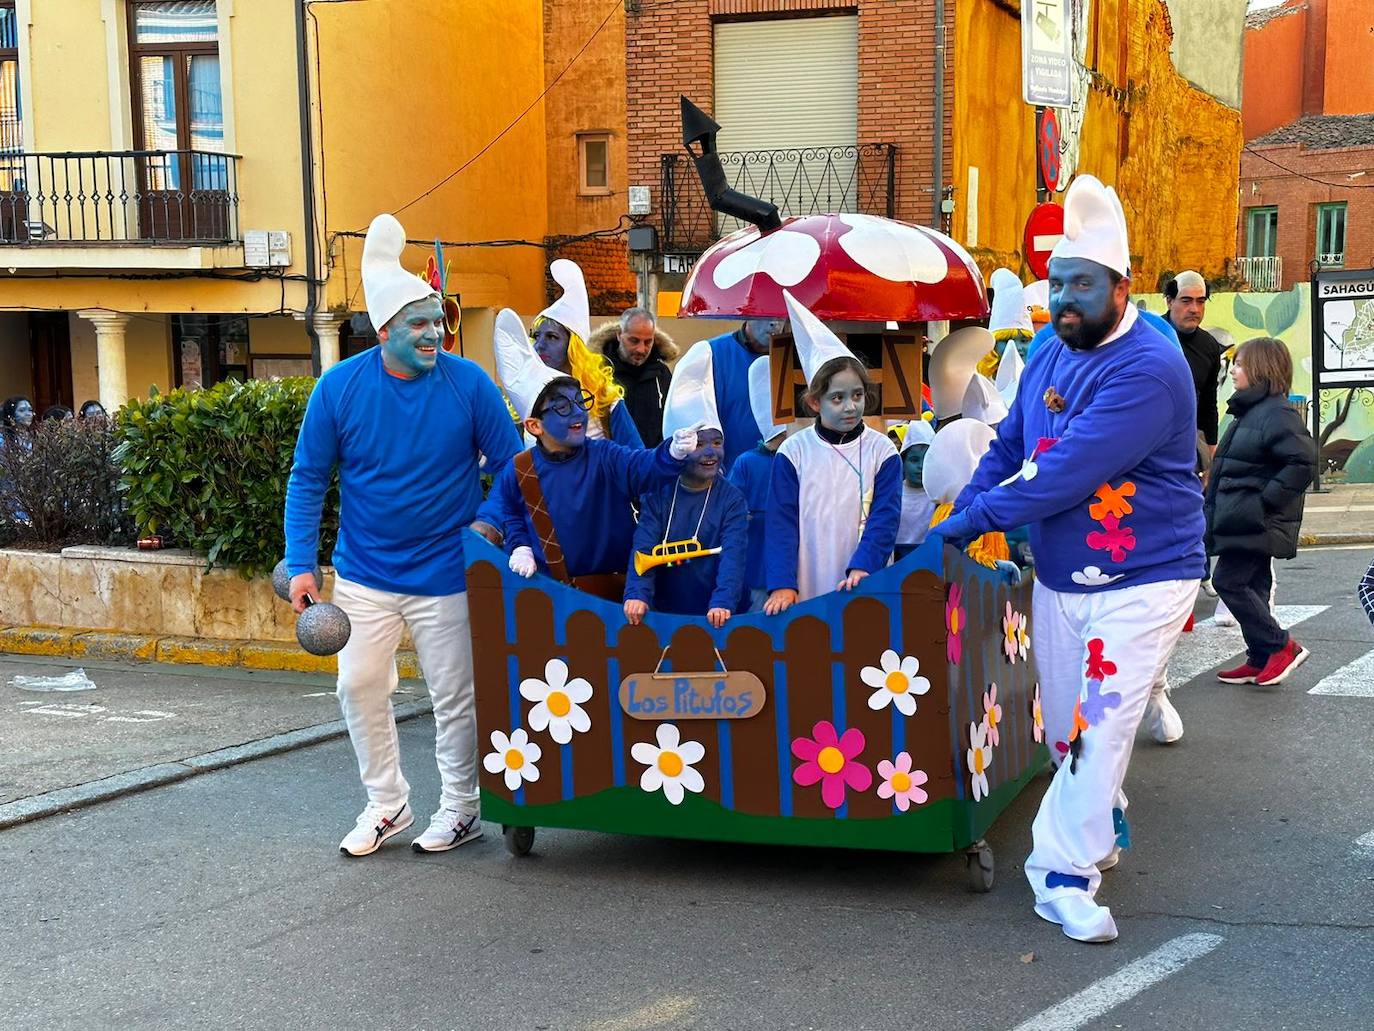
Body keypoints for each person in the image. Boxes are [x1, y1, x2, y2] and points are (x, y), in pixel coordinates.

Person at [935, 175, 1205, 943]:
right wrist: (965, 511)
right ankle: (1101, 814)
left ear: (1121, 287)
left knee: (1098, 724)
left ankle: (1061, 873)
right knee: (1063, 731)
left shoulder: (1150, 367)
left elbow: (1061, 473)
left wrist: (973, 519)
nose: (1063, 300)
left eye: (1081, 285)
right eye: (1056, 283)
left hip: (1146, 575)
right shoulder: (1052, 346)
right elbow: (1013, 444)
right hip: (1060, 574)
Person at [284, 213, 523, 858]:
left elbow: (512, 467)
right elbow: (308, 477)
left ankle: (462, 807)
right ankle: (387, 805)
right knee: (356, 684)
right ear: (384, 329)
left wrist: (493, 524)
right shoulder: (338, 388)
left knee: (455, 696)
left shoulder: (468, 383)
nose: (434, 335)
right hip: (363, 572)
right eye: (418, 324)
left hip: (449, 571)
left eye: (438, 322)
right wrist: (299, 561)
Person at [485, 308, 696, 598]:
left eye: (580, 402)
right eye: (561, 407)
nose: (577, 413)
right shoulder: (521, 467)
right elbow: (509, 507)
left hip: (610, 584)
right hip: (548, 587)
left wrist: (671, 453)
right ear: (534, 426)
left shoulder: (604, 453)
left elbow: (640, 464)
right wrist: (517, 543)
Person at [764, 292, 900, 613]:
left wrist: (864, 565)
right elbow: (781, 522)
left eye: (857, 395)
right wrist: (783, 583)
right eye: (837, 398)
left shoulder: (883, 452)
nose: (850, 406)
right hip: (807, 575)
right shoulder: (793, 452)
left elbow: (885, 517)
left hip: (865, 577)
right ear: (815, 402)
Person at [1205, 336, 1317, 687]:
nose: (1234, 370)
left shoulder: (1276, 412)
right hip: (1245, 520)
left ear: (1260, 369)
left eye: (1240, 364)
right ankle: (1260, 657)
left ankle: (1281, 646)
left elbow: (1302, 462)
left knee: (1227, 581)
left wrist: (1263, 501)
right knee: (1253, 583)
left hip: (1256, 520)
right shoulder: (1251, 410)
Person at [624, 342, 748, 626]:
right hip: (666, 613)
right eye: (699, 444)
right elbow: (643, 546)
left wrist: (722, 602)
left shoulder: (731, 499)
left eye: (717, 443)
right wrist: (637, 594)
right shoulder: (659, 492)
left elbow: (733, 556)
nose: (710, 452)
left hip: (721, 616)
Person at [530, 259, 643, 447]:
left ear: (574, 346)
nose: (539, 345)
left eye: (551, 337)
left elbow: (636, 459)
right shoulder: (527, 393)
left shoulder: (604, 399)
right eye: (536, 336)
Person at [698, 317, 786, 474]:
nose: (774, 323)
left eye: (780, 315)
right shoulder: (712, 354)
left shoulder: (796, 356)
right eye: (766, 313)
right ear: (748, 313)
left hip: (780, 477)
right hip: (725, 478)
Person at [590, 307, 678, 447]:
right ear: (619, 335)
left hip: (654, 462)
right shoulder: (598, 373)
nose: (641, 349)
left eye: (648, 342)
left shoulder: (661, 374)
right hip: (613, 463)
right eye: (634, 340)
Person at [1165, 271, 1223, 452]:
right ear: (1169, 301)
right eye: (1186, 300)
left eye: (1201, 301)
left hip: (1187, 446)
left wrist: (1210, 450)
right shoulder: (1150, 336)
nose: (1194, 309)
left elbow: (1208, 403)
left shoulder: (1209, 345)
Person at [895, 418, 935, 560]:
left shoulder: (937, 496)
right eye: (914, 460)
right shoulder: (894, 493)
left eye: (926, 459)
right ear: (903, 461)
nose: (921, 466)